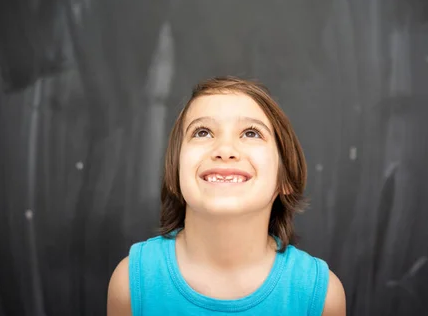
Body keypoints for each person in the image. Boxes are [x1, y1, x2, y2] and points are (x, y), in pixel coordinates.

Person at [107, 76, 346, 315]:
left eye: (251, 133)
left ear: (285, 179)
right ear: (176, 172)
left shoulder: (322, 296)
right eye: (202, 132)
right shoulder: (131, 282)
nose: (225, 150)